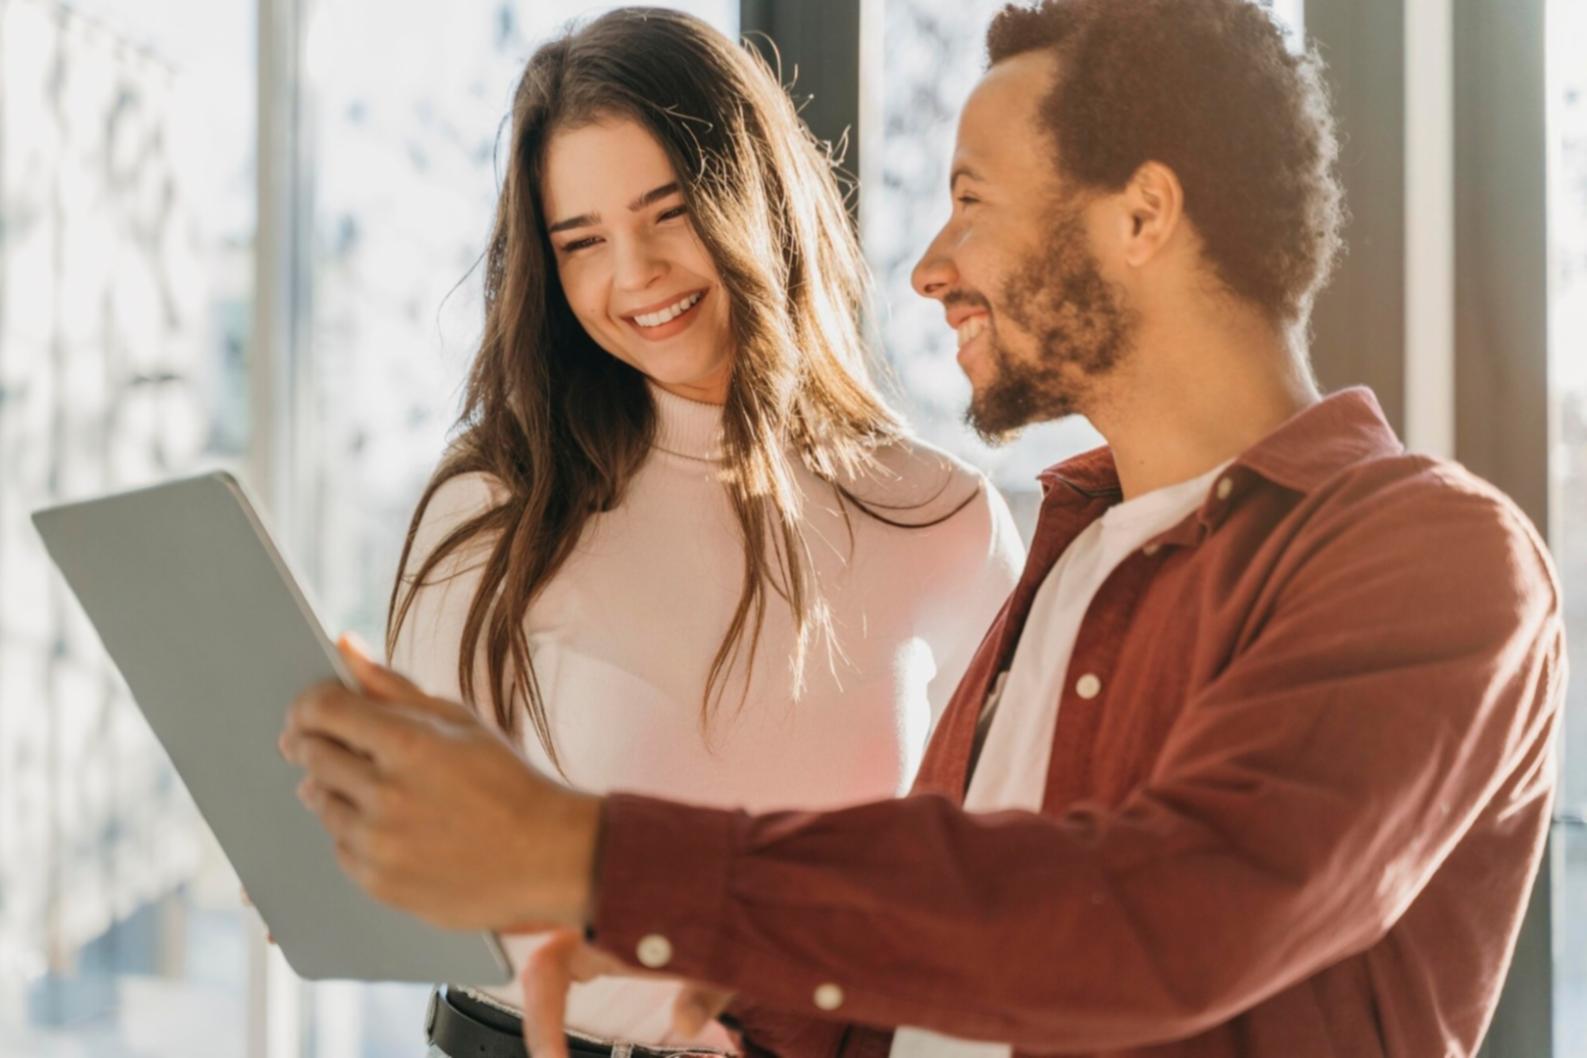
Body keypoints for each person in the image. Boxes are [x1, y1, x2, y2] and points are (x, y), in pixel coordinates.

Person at [280, 1, 1567, 1057]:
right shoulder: (1070, 554)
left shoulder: (1431, 557)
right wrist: (710, 1008)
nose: (929, 262)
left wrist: (599, 857)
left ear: (1142, 215)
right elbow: (948, 950)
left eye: (973, 200)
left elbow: (1153, 917)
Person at [335, 7, 1023, 1058]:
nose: (636, 272)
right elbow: (403, 872)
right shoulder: (494, 505)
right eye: (582, 242)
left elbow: (997, 903)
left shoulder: (945, 518)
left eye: (669, 212)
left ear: (754, 197)